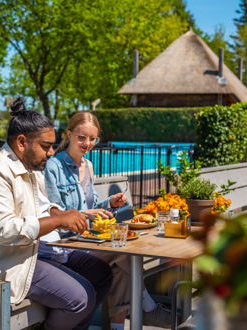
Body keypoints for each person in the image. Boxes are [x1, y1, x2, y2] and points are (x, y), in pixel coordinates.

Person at [0, 99, 113, 330]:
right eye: (45, 145)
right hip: (4, 261)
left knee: (100, 273)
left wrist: (60, 212)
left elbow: (43, 205)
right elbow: (4, 231)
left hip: (32, 251)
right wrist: (59, 219)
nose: (51, 152)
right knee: (80, 298)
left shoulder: (29, 169)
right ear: (22, 142)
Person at [44, 111, 173, 329]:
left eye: (93, 139)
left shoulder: (89, 166)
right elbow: (55, 214)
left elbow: (90, 208)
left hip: (88, 239)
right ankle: (148, 308)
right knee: (123, 254)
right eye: (82, 137)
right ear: (68, 134)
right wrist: (87, 215)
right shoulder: (54, 166)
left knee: (121, 260)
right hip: (67, 244)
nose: (88, 143)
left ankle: (121, 325)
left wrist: (109, 203)